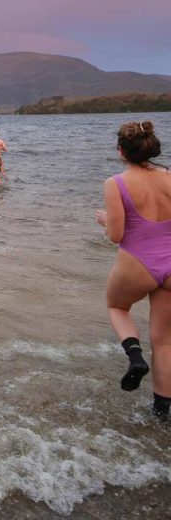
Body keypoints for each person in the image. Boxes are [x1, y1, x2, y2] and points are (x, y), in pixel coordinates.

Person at [95, 120, 171, 419]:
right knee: (164, 340)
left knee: (117, 306)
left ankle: (135, 356)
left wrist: (104, 220)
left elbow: (116, 234)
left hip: (137, 262)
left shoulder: (116, 183)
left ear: (121, 151)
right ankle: (163, 411)